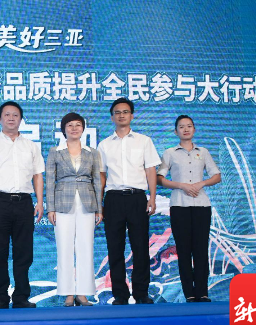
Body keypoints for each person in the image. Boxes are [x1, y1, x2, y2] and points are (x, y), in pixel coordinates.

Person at [0, 101, 45, 309]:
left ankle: (21, 296)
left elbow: (38, 175)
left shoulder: (31, 146)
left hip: (24, 202)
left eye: (15, 115)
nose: (11, 118)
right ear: (0, 119)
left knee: (24, 252)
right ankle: (0, 296)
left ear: (20, 119)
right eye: (7, 114)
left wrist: (40, 202)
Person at [97, 97, 160, 305]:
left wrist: (152, 197)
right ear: (112, 117)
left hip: (137, 198)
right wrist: (99, 203)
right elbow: (102, 175)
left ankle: (141, 293)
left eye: (125, 112)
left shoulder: (144, 141)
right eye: (117, 112)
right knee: (115, 248)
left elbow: (150, 170)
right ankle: (120, 294)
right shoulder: (104, 144)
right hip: (113, 199)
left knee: (140, 247)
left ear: (132, 115)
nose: (121, 115)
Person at [157, 115, 221, 302]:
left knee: (201, 249)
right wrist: (181, 185)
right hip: (179, 205)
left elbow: (217, 176)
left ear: (194, 129)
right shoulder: (170, 153)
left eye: (189, 126)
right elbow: (160, 178)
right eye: (181, 127)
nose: (186, 129)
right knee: (183, 250)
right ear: (175, 131)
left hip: (201, 205)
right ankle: (189, 293)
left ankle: (202, 291)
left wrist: (201, 183)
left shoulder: (203, 152)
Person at [46, 112, 102, 306]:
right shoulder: (55, 151)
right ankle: (68, 293)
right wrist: (50, 208)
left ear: (83, 128)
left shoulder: (92, 152)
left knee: (86, 246)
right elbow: (50, 181)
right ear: (64, 129)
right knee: (64, 247)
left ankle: (83, 293)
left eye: (78, 125)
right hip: (62, 202)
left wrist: (99, 208)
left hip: (87, 201)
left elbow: (97, 181)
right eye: (70, 125)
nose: (74, 128)